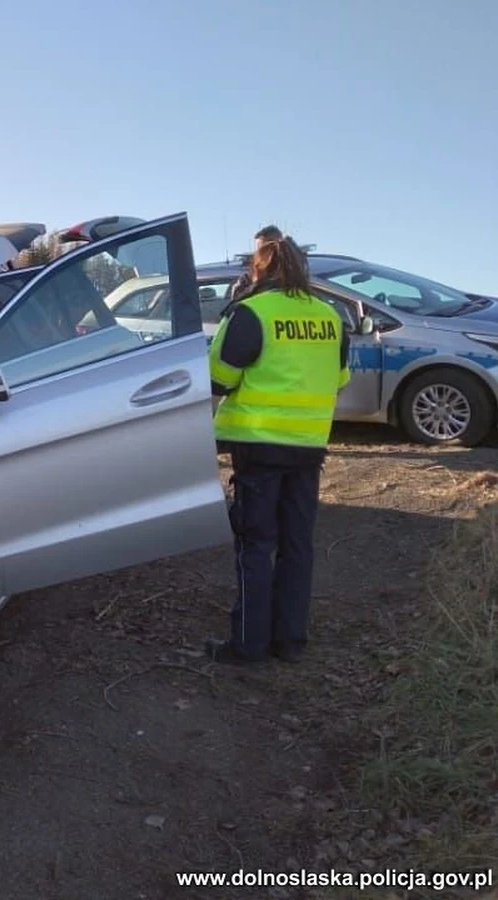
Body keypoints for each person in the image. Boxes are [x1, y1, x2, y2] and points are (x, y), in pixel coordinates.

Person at [205, 235, 350, 665]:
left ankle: (249, 645)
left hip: (258, 446)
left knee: (255, 544)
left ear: (257, 270)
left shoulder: (251, 313)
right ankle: (290, 642)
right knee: (297, 545)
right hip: (308, 448)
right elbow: (339, 379)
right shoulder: (331, 316)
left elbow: (219, 379)